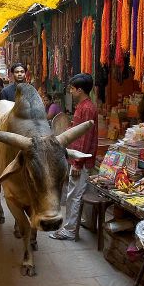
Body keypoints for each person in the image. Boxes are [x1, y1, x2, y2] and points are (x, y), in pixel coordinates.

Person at [49, 73, 98, 241]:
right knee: (78, 192)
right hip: (79, 158)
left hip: (80, 160)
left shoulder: (87, 108)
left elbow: (84, 138)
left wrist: (78, 163)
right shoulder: (82, 106)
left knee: (74, 194)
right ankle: (80, 222)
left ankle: (69, 230)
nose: (70, 91)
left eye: (71, 88)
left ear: (79, 90)